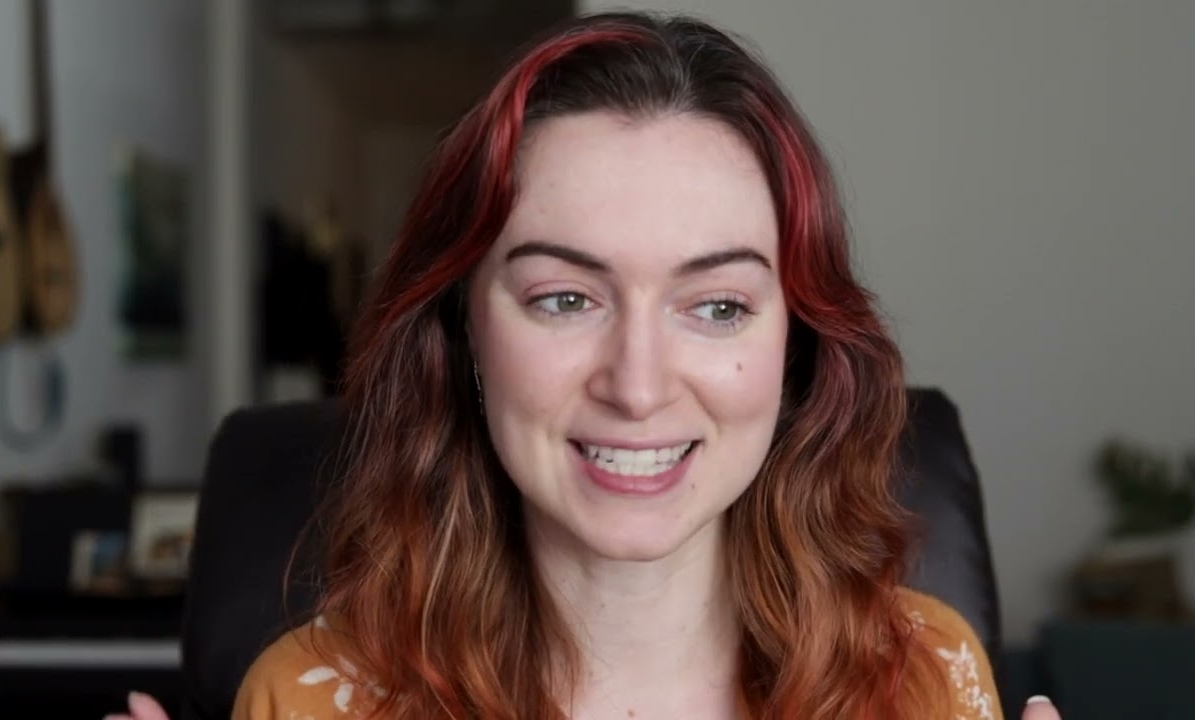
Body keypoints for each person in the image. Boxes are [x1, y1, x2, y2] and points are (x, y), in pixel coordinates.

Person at [111, 12, 1065, 720]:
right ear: (463, 332)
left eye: (718, 306)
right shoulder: (308, 701)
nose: (638, 387)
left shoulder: (927, 682)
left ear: (797, 347)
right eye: (565, 299)